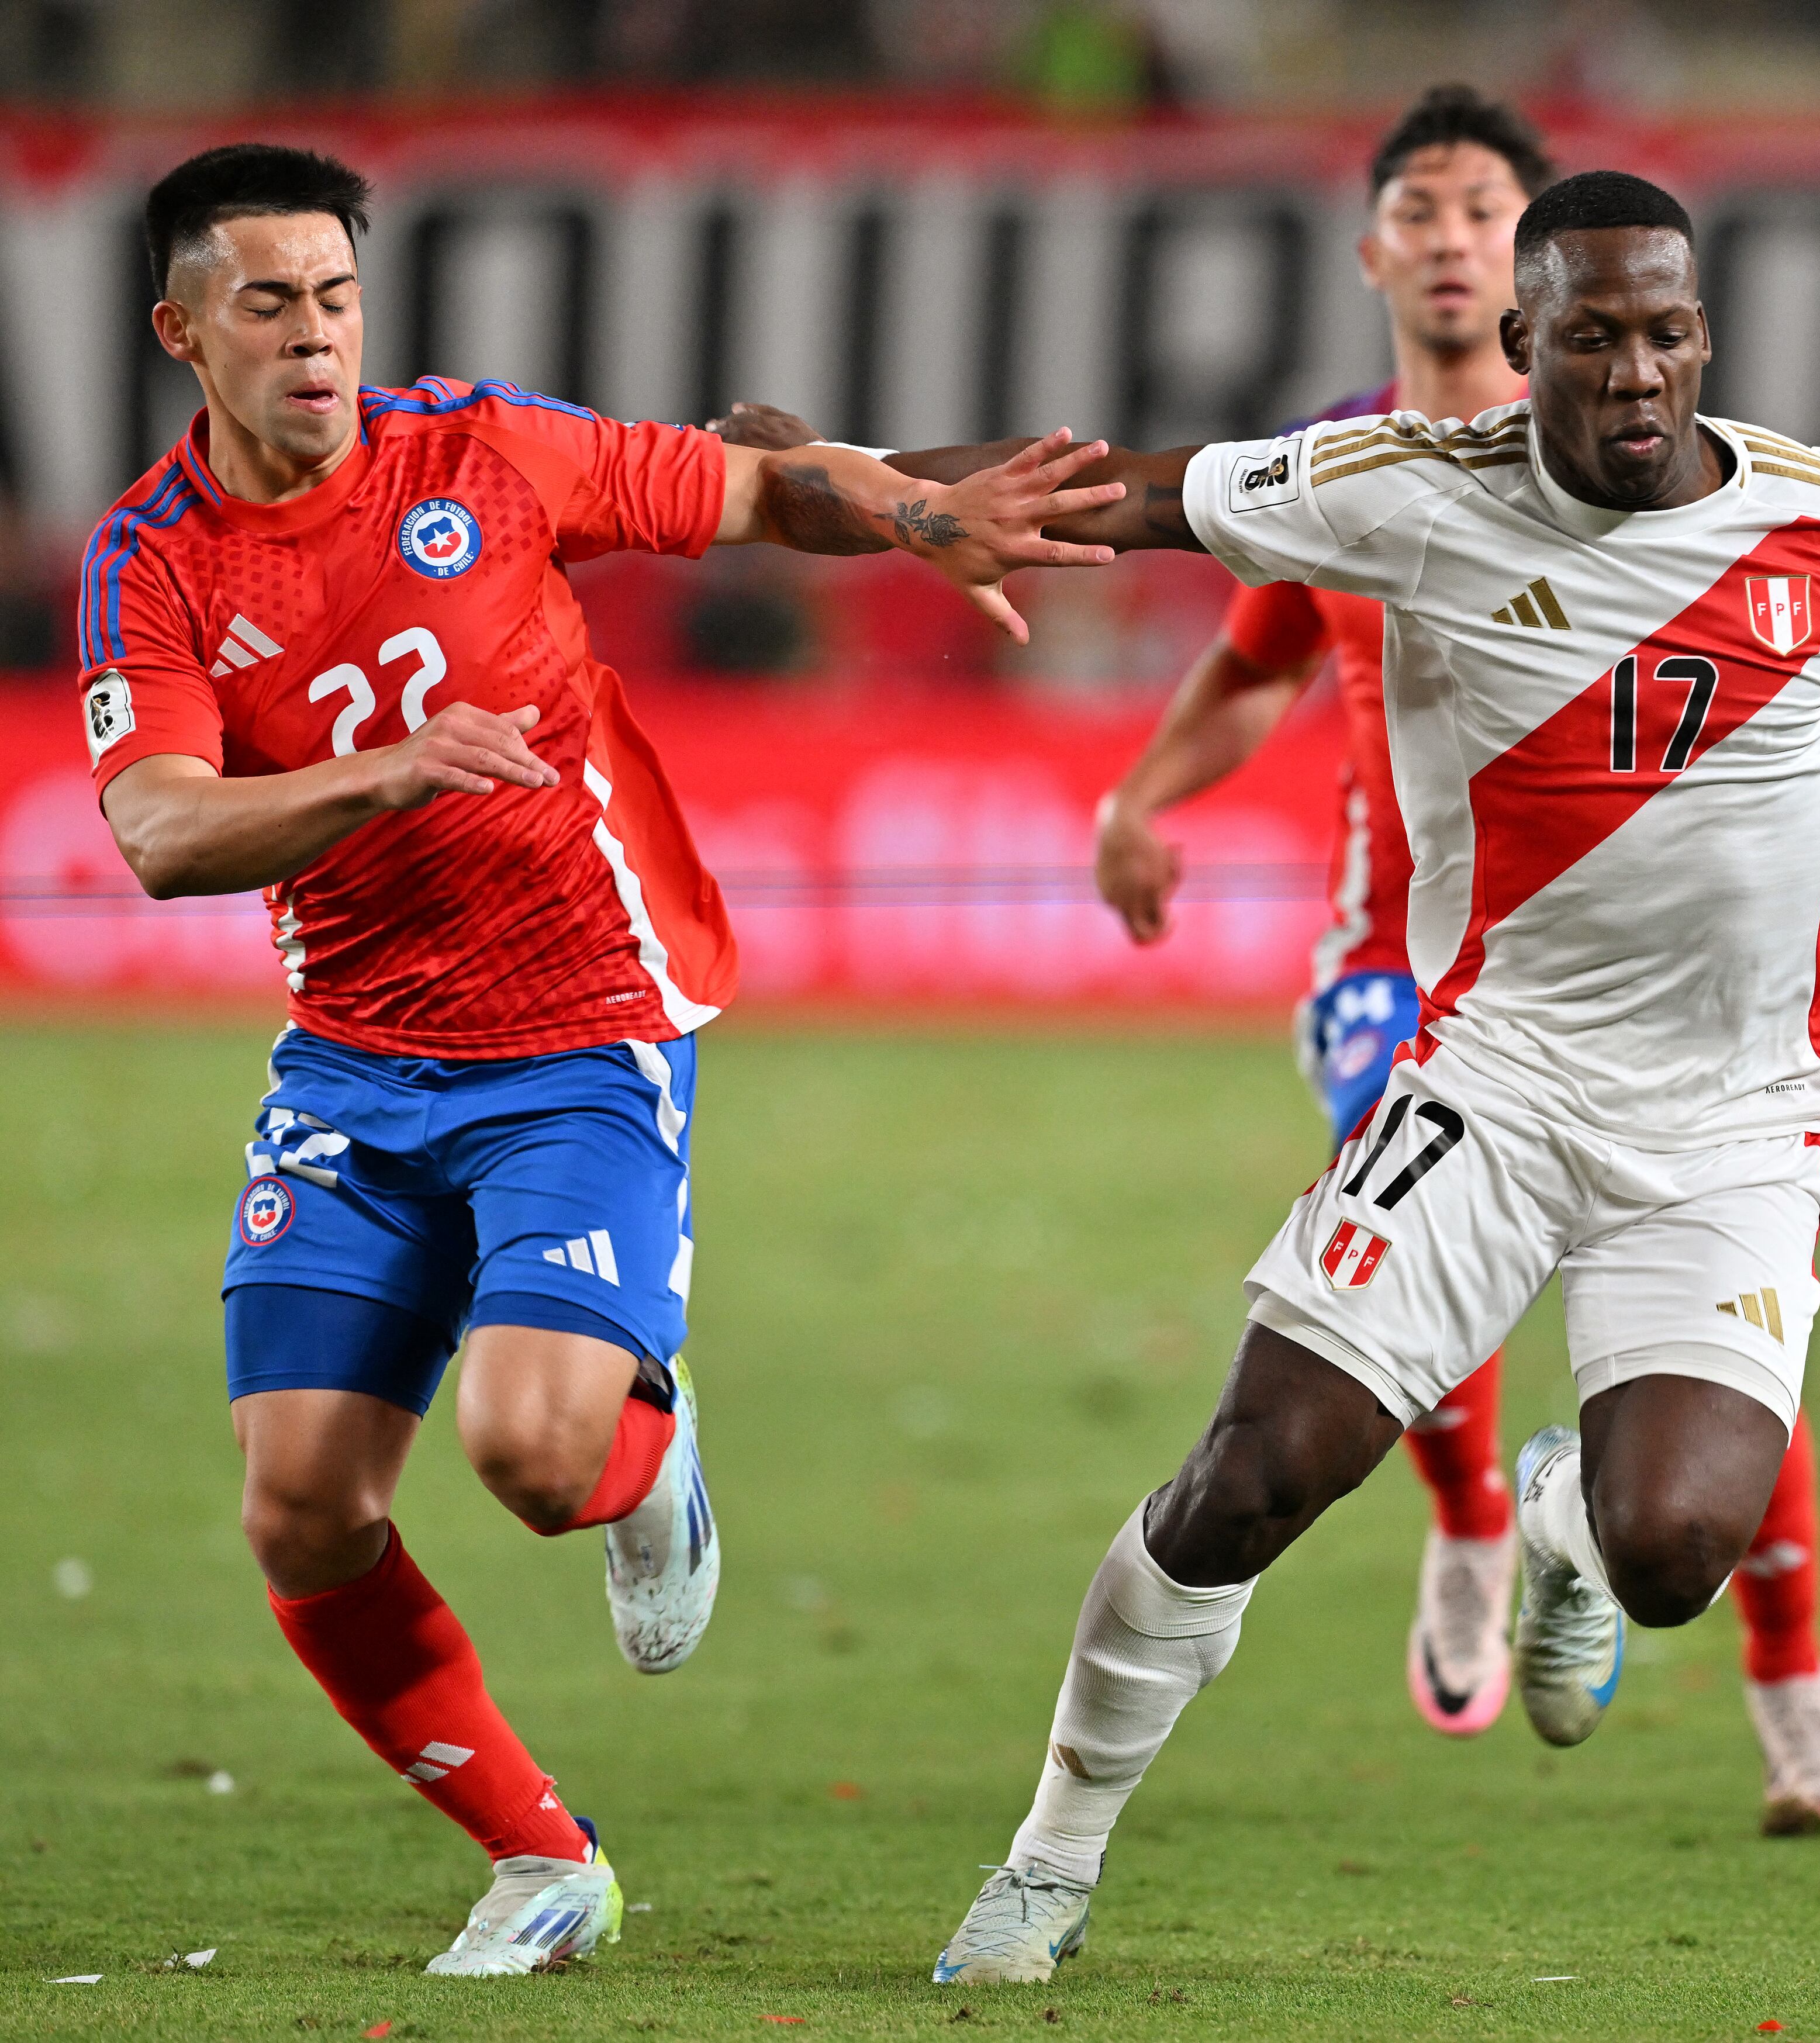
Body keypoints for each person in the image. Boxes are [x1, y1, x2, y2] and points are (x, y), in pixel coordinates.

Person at [898, 164, 1820, 1987]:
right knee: (1253, 1478)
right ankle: (1050, 1859)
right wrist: (863, 491)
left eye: (1666, 333)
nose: (1634, 373)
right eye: (1591, 336)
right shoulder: (1407, 495)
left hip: (1741, 1119)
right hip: (1501, 1082)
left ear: (1706, 338)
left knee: (1675, 1546)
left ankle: (1569, 1520)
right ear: (1519, 347)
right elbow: (1124, 491)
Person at [78, 143, 1118, 1980]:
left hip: (581, 1026)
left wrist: (899, 512)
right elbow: (161, 832)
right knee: (303, 1509)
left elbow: (748, 486)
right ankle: (542, 1859)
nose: (316, 339)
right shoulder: (153, 564)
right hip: (353, 1059)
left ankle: (654, 1449)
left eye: (335, 295)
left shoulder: (480, 451)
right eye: (267, 304)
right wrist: (383, 773)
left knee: (535, 1460)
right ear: (183, 332)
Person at [1087, 85, 1820, 1831]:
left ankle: (1761, 1640)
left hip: (1674, 1017)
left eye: (1482, 208)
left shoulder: (1727, 501)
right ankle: (1462, 1532)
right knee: (1393, 1281)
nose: (1449, 238)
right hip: (1408, 959)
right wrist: (1145, 790)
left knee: (1702, 1326)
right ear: (1388, 257)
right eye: (1423, 212)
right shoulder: (1352, 478)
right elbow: (1246, 662)